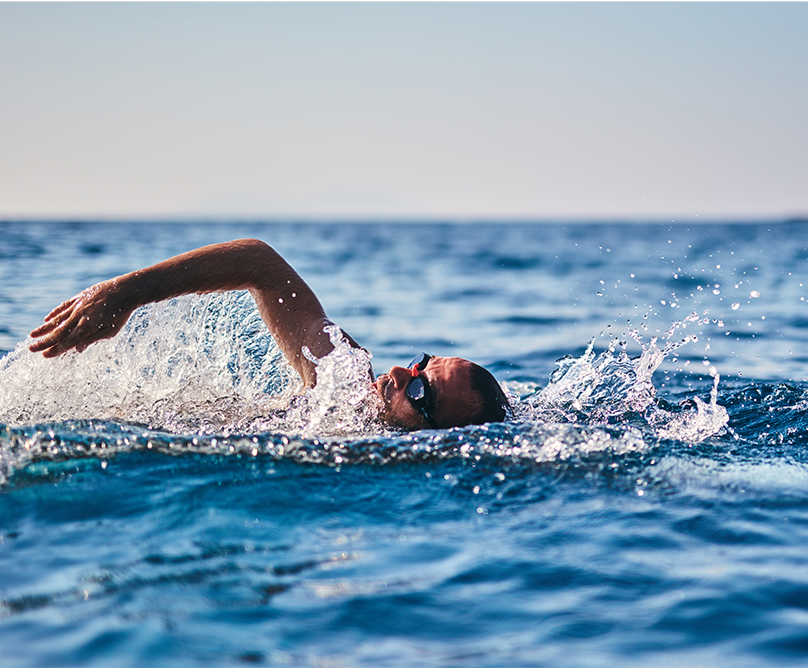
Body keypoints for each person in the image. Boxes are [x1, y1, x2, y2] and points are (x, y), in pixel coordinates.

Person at [28, 239, 511, 431]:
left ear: (432, 440)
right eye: (421, 364)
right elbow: (258, 263)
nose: (402, 374)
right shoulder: (341, 375)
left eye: (422, 392)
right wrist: (125, 295)